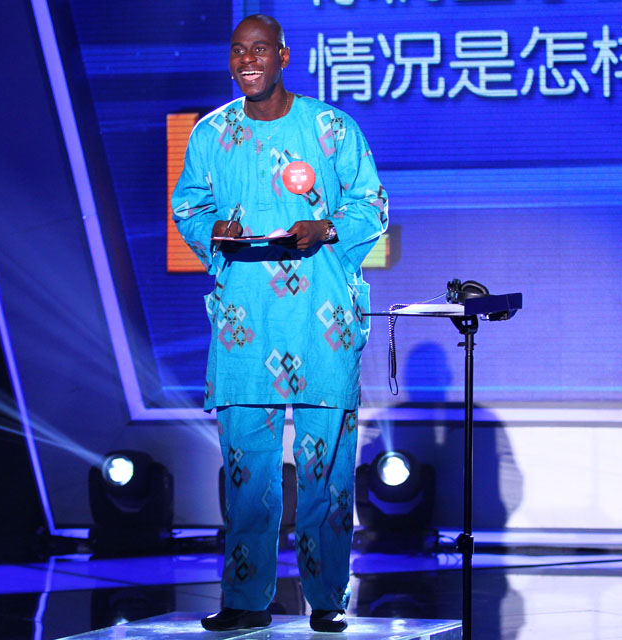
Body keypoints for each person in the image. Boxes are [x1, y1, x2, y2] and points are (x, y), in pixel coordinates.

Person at [172, 14, 388, 633]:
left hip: (322, 322)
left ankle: (327, 599)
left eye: (260, 49)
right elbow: (188, 205)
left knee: (327, 472)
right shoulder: (212, 133)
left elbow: (373, 204)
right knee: (248, 472)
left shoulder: (331, 128)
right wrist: (214, 230)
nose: (248, 60)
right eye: (238, 50)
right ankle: (245, 600)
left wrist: (327, 228)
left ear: (284, 57)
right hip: (246, 323)